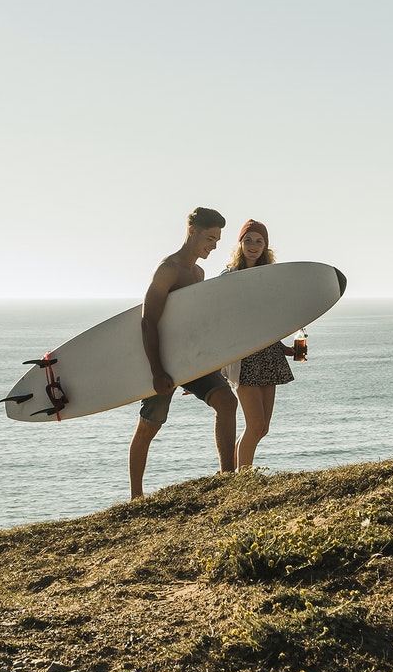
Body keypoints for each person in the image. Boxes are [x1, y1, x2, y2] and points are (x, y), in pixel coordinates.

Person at [129, 207, 239, 499]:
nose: (214, 245)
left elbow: (192, 323)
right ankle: (136, 495)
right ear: (192, 231)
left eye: (217, 240)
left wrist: (200, 365)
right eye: (210, 237)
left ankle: (228, 477)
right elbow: (148, 320)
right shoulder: (169, 269)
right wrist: (157, 371)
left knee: (227, 402)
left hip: (190, 361)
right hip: (162, 362)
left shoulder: (198, 272)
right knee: (149, 425)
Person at [223, 219, 302, 470]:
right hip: (244, 357)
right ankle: (242, 479)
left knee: (263, 427)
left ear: (266, 246)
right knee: (255, 425)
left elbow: (266, 325)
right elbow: (219, 321)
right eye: (248, 240)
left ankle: (237, 475)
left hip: (269, 356)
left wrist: (284, 348)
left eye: (259, 241)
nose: (253, 246)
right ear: (240, 244)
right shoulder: (229, 277)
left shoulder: (270, 277)